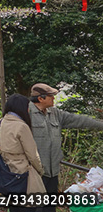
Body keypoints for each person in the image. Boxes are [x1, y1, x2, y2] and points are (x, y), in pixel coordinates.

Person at [29, 83, 103, 212]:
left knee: (49, 207)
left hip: (52, 171)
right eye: (51, 96)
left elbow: (79, 120)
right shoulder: (27, 114)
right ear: (41, 98)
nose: (54, 99)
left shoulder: (55, 113)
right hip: (34, 172)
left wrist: (100, 125)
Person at [0, 94, 45, 211]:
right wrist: (40, 170)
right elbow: (32, 155)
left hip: (7, 171)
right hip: (23, 173)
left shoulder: (1, 122)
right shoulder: (22, 126)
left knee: (14, 206)